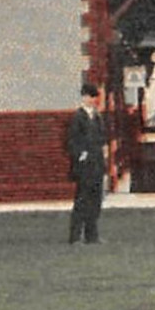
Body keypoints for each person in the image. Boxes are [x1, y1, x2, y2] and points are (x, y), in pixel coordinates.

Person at [66, 84, 107, 244]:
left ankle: (92, 235)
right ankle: (75, 236)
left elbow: (102, 138)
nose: (92, 100)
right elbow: (72, 141)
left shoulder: (97, 117)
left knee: (95, 200)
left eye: (94, 97)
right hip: (84, 166)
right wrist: (81, 155)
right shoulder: (78, 117)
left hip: (97, 163)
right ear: (83, 97)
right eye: (89, 96)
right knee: (82, 200)